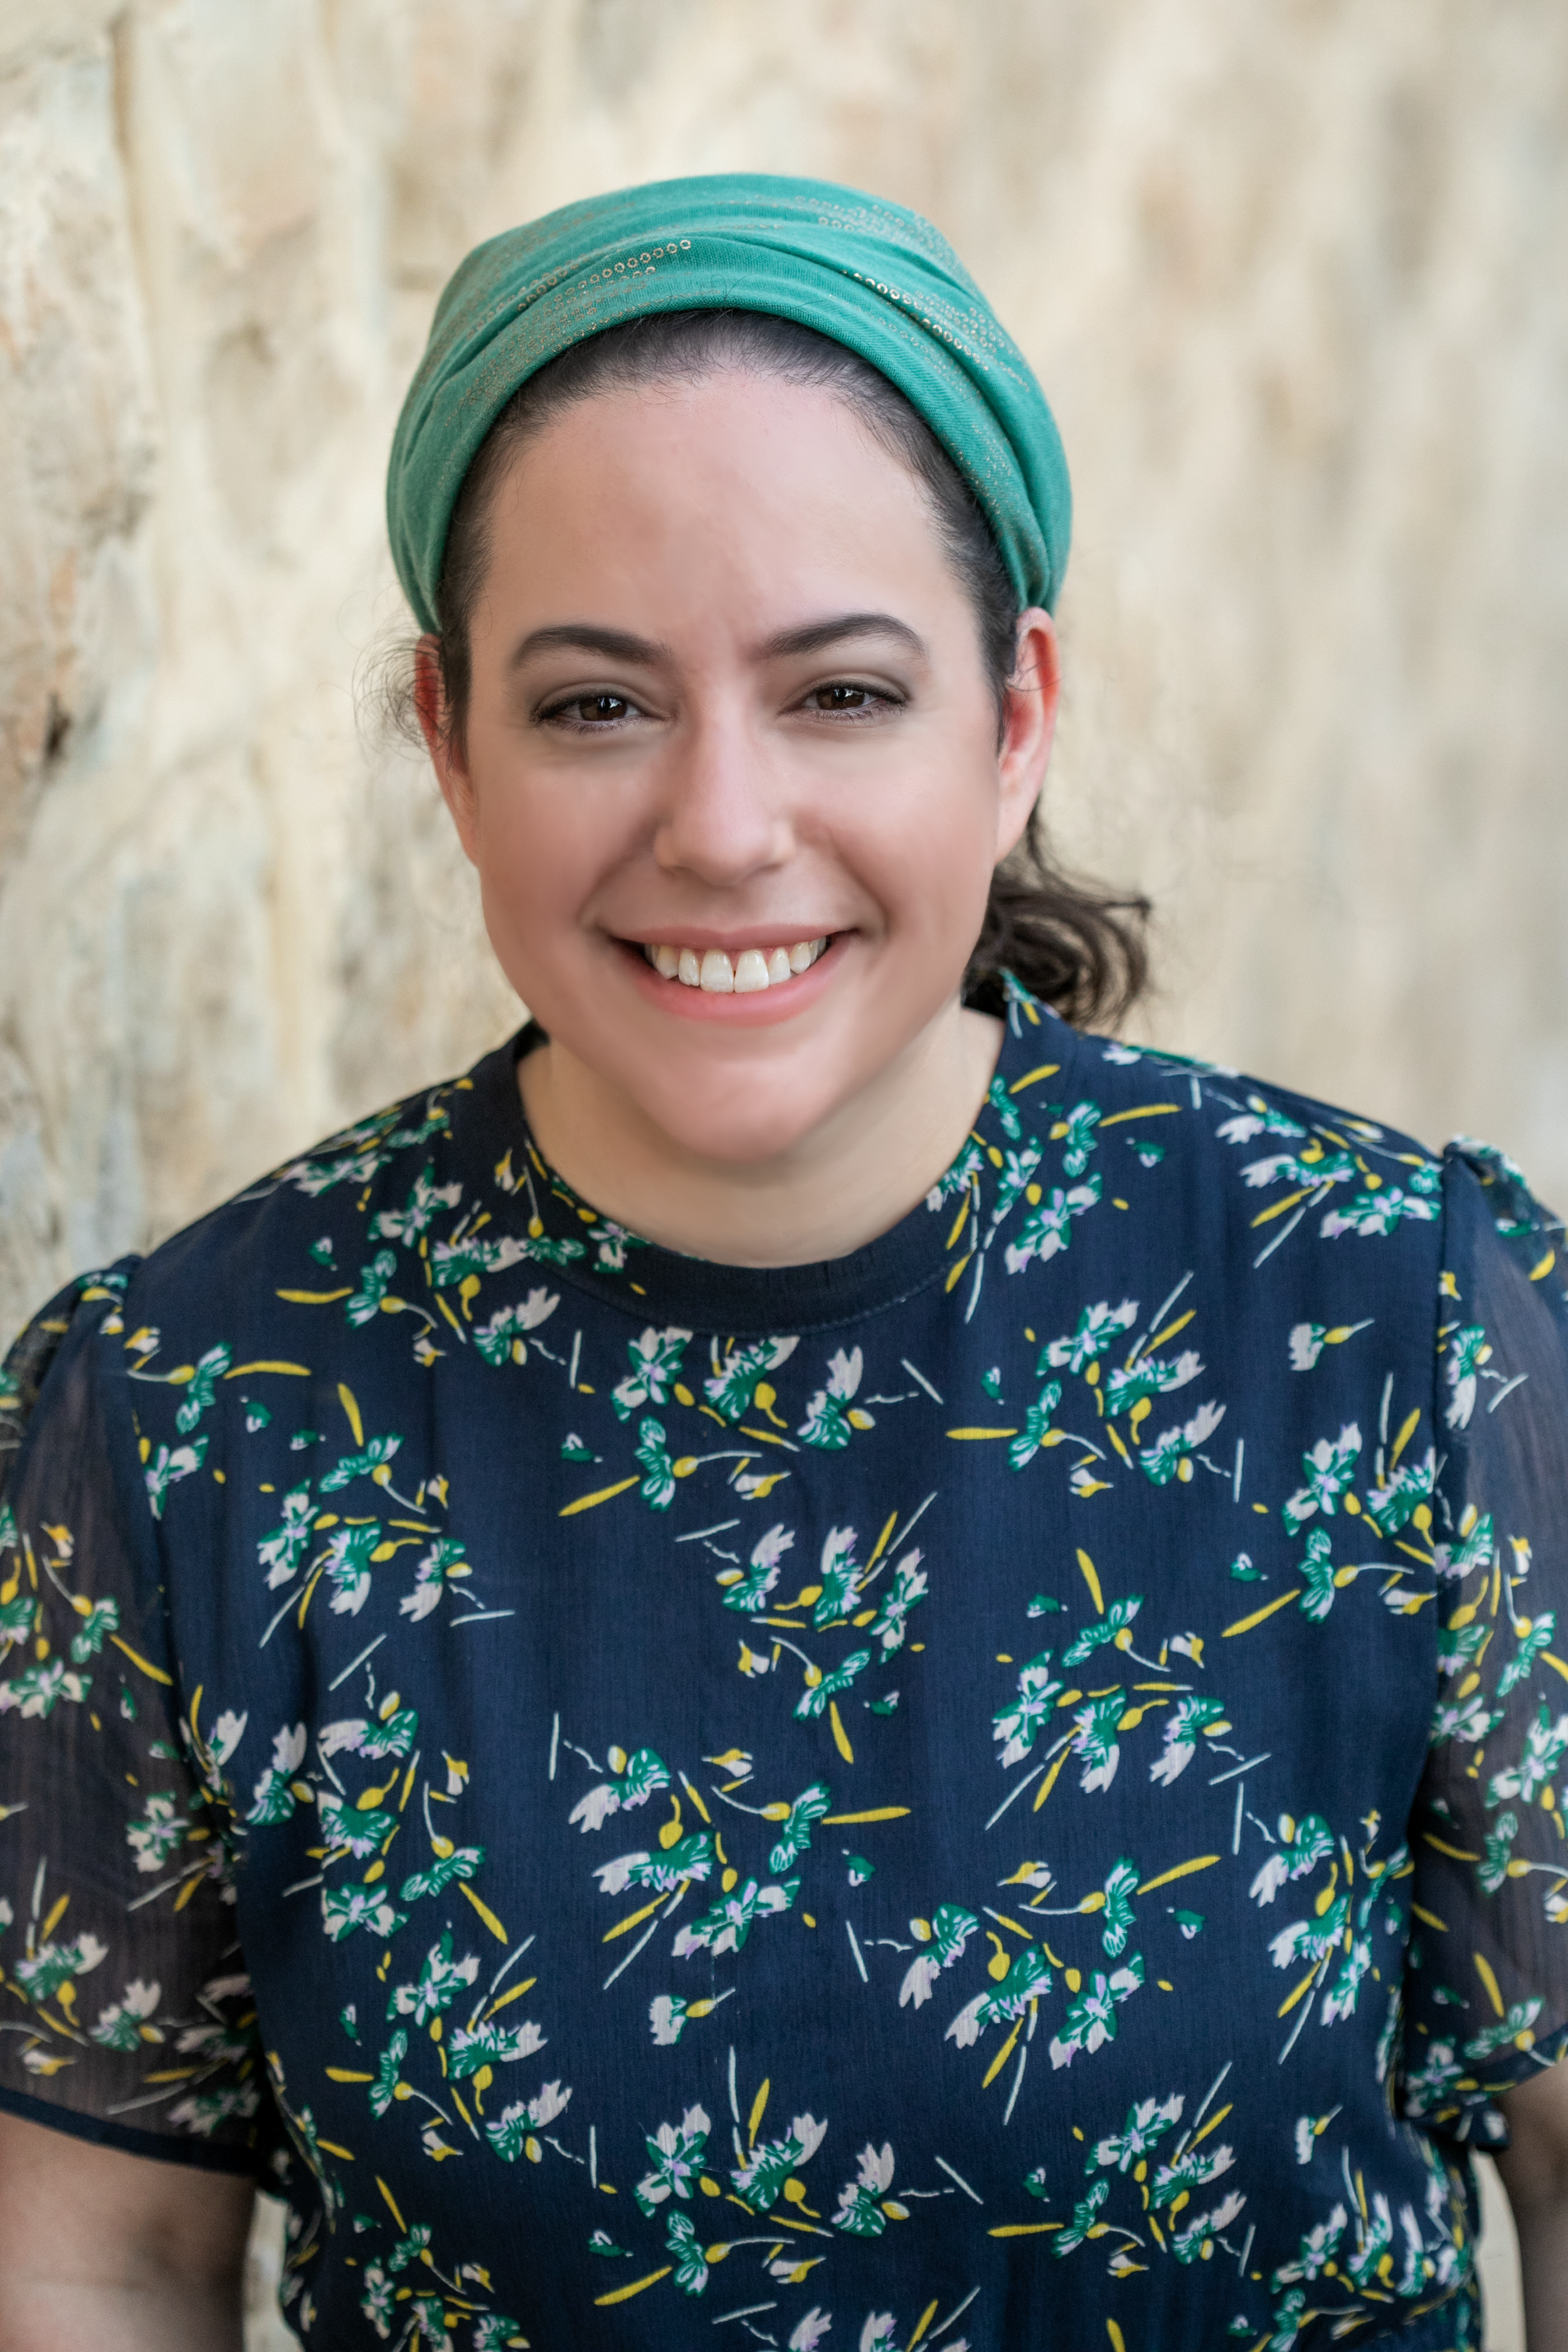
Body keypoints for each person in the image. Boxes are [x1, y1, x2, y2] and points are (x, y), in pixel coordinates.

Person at [0, 174, 1564, 2352]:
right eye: (593, 707)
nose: (723, 822)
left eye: (837, 694)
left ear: (1013, 721)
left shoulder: (1395, 1315)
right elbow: (96, 2258)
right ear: (448, 742)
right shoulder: (191, 1421)